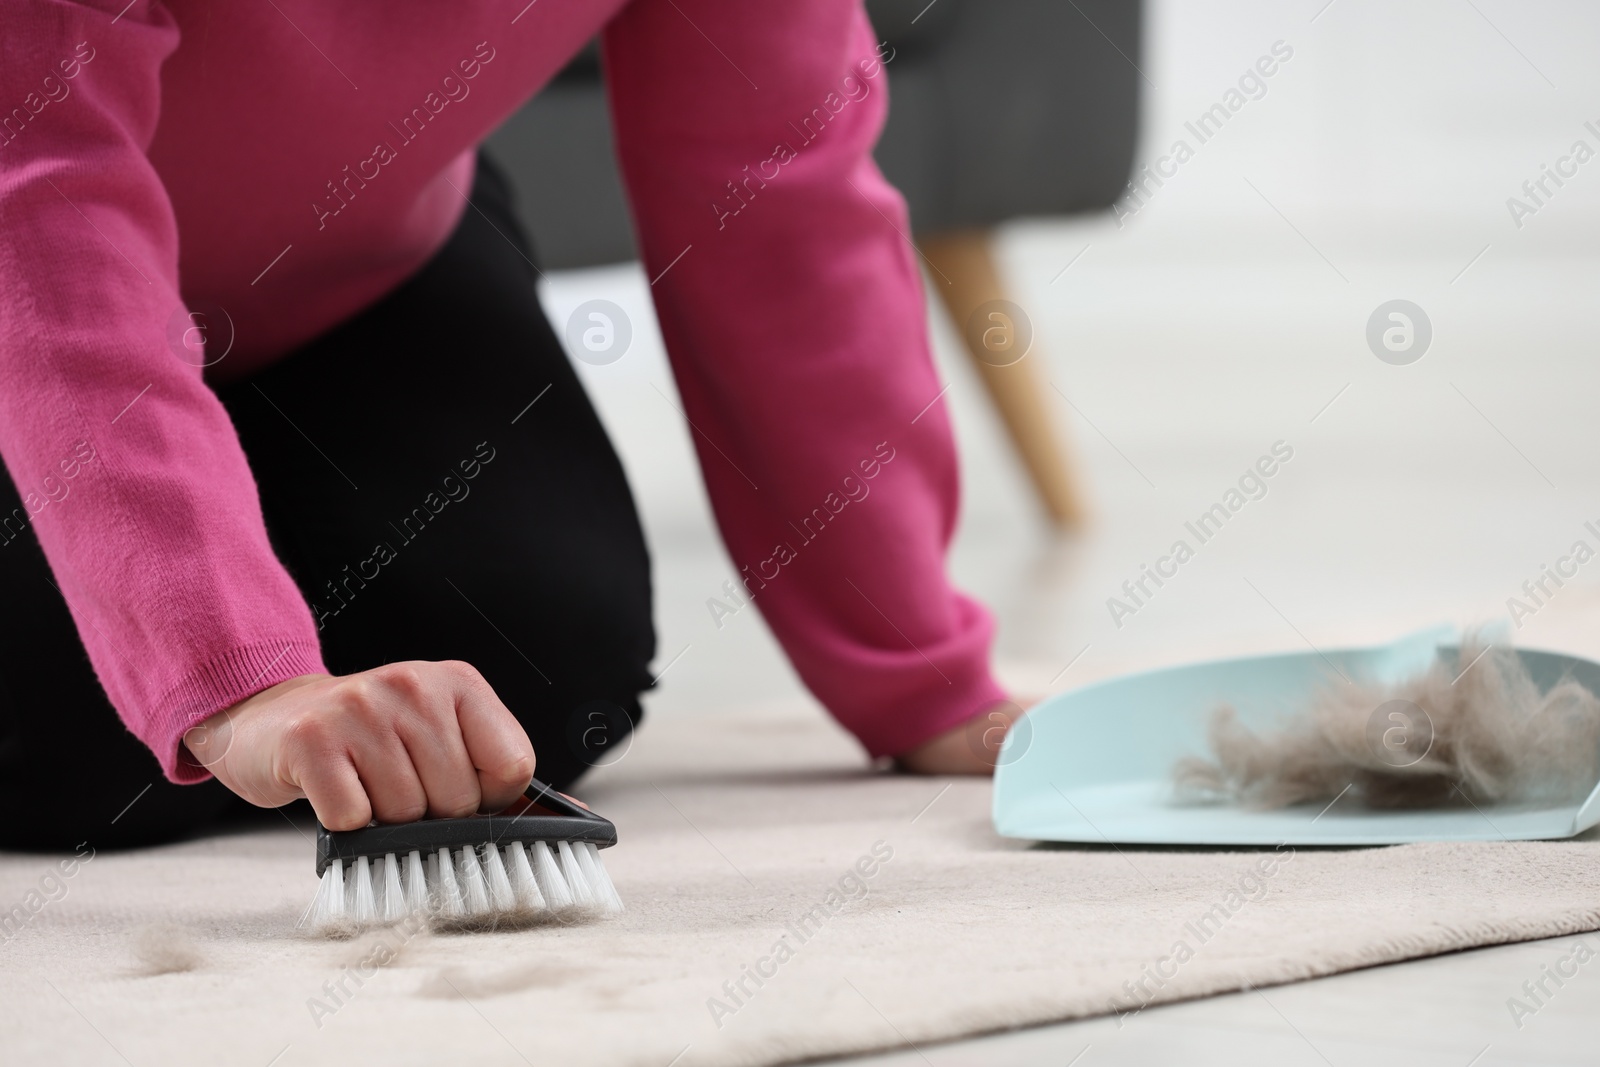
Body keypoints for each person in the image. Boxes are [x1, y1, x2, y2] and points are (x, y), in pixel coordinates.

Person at [0, 0, 1017, 851]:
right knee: (63, 743)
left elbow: (780, 193)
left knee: (536, 670)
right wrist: (233, 678)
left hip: (349, 255)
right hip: (35, 262)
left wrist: (926, 676)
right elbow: (41, 206)